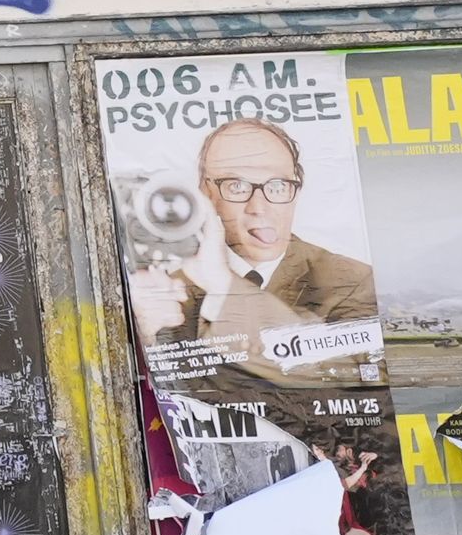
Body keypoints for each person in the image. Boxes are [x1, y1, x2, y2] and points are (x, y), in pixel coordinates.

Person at [135, 117, 377, 359]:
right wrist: (146, 339)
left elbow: (354, 371)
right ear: (204, 194)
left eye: (278, 186)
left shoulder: (354, 282)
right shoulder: (167, 291)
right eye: (236, 186)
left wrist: (223, 286)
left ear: (296, 192)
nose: (259, 207)